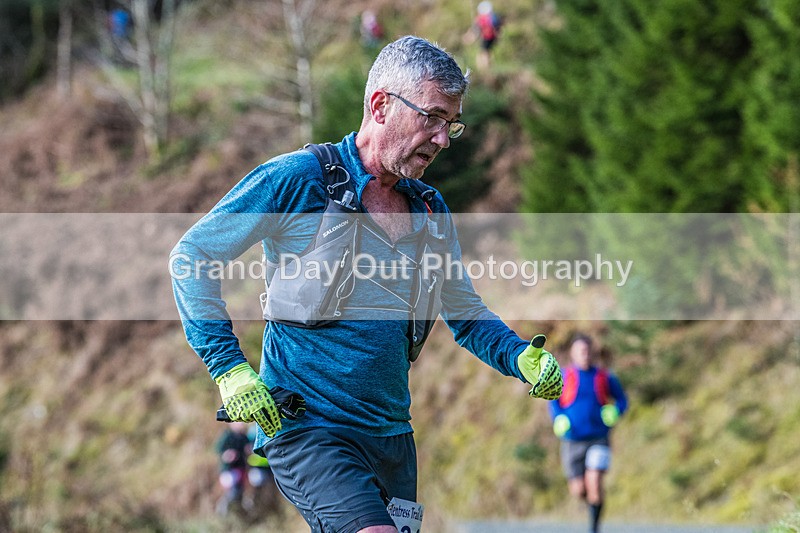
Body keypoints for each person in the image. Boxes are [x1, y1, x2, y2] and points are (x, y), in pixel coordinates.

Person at [171, 35, 563, 533]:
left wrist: (516, 355)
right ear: (380, 105)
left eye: (452, 125)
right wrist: (228, 367)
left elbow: (462, 309)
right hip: (310, 428)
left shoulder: (428, 208)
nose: (443, 139)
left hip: (392, 438)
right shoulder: (299, 180)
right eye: (433, 118)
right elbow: (193, 254)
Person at [549, 334, 628, 533]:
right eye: (580, 351)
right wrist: (559, 418)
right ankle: (592, 505)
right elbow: (553, 401)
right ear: (572, 354)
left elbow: (622, 400)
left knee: (594, 483)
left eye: (587, 350)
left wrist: (615, 411)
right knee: (579, 490)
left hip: (598, 438)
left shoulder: (604, 377)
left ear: (592, 352)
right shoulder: (564, 376)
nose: (585, 354)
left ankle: (594, 528)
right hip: (572, 440)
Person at [215, 421, 252, 516]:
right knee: (232, 493)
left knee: (240, 492)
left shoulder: (244, 437)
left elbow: (249, 450)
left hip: (241, 470)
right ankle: (223, 510)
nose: (241, 424)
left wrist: (249, 451)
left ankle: (239, 513)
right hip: (229, 471)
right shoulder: (227, 436)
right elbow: (218, 450)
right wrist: (227, 455)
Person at [473, 1, 502, 71]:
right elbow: (497, 27)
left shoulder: (482, 18)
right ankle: (488, 67)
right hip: (491, 37)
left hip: (485, 37)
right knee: (488, 52)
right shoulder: (493, 17)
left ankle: (483, 68)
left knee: (483, 53)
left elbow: (477, 28)